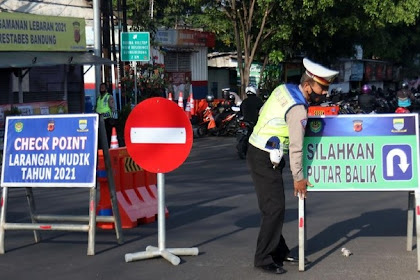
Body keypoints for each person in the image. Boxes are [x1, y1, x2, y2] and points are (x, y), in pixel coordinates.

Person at [246, 57, 338, 275]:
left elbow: (263, 113)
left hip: (260, 150)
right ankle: (263, 257)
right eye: (321, 88)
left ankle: (279, 251)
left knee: (272, 207)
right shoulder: (298, 109)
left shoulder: (284, 89)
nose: (324, 93)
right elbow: (297, 147)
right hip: (265, 156)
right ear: (308, 85)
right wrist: (298, 177)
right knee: (274, 208)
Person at [95, 82, 118, 148]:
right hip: (99, 119)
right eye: (100, 88)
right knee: (100, 137)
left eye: (103, 88)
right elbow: (96, 108)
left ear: (106, 89)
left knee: (107, 136)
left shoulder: (109, 97)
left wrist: (113, 119)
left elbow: (113, 108)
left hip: (107, 119)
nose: (101, 89)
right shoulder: (98, 98)